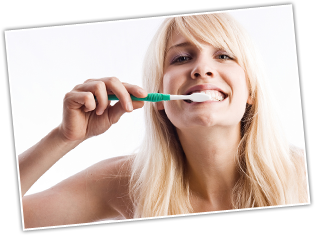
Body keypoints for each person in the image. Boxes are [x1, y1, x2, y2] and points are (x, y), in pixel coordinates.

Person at [19, 12, 309, 228]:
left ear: (251, 93)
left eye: (223, 55)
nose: (202, 68)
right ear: (158, 97)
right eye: (181, 58)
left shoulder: (302, 176)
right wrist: (62, 138)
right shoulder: (126, 182)